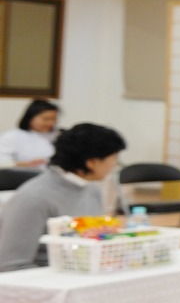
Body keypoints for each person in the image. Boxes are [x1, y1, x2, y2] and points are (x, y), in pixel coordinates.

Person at [0, 122, 122, 271]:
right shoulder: (33, 198)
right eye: (114, 158)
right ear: (91, 162)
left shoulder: (92, 189)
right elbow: (11, 264)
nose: (115, 165)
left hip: (83, 272)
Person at [0, 99, 59, 168]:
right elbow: (3, 163)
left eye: (54, 119)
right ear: (30, 117)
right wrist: (25, 164)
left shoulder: (59, 135)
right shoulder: (11, 136)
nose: (50, 123)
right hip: (22, 175)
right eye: (45, 119)